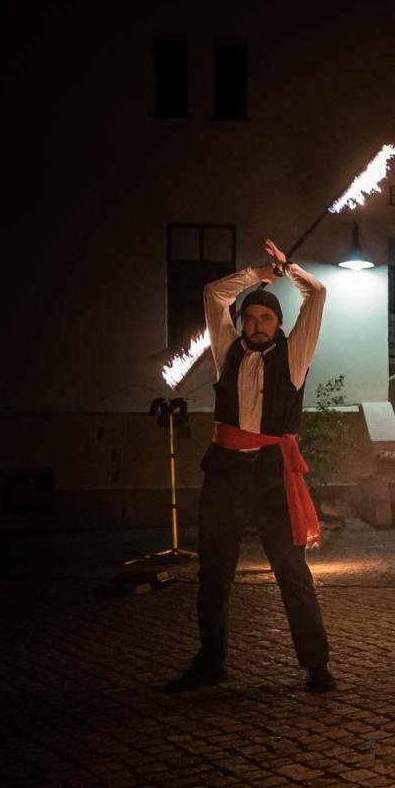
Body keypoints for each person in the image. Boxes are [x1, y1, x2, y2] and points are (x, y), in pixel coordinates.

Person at [165, 239, 335, 695]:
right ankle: (210, 663)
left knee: (291, 571)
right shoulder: (228, 349)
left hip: (270, 475)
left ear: (280, 324)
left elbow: (316, 296)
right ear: (242, 323)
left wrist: (288, 268)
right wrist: (257, 275)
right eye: (252, 318)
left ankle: (316, 665)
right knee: (214, 573)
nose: (258, 325)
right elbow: (213, 295)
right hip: (224, 472)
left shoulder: (294, 355)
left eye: (267, 318)